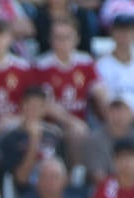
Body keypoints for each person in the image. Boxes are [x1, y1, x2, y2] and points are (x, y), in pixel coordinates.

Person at [35, 17, 107, 166]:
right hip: (51, 123)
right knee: (77, 132)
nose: (62, 42)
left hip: (83, 120)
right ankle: (77, 175)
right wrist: (72, 122)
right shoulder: (41, 66)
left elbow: (100, 92)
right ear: (51, 39)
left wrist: (110, 114)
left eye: (67, 37)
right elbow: (45, 104)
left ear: (77, 39)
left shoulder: (86, 62)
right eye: (58, 37)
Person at [0, 86, 64, 194]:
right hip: (29, 192)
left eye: (39, 106)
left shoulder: (54, 134)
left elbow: (62, 170)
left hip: (55, 191)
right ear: (23, 106)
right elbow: (21, 178)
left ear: (45, 109)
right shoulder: (10, 137)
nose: (34, 110)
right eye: (30, 106)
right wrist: (34, 139)